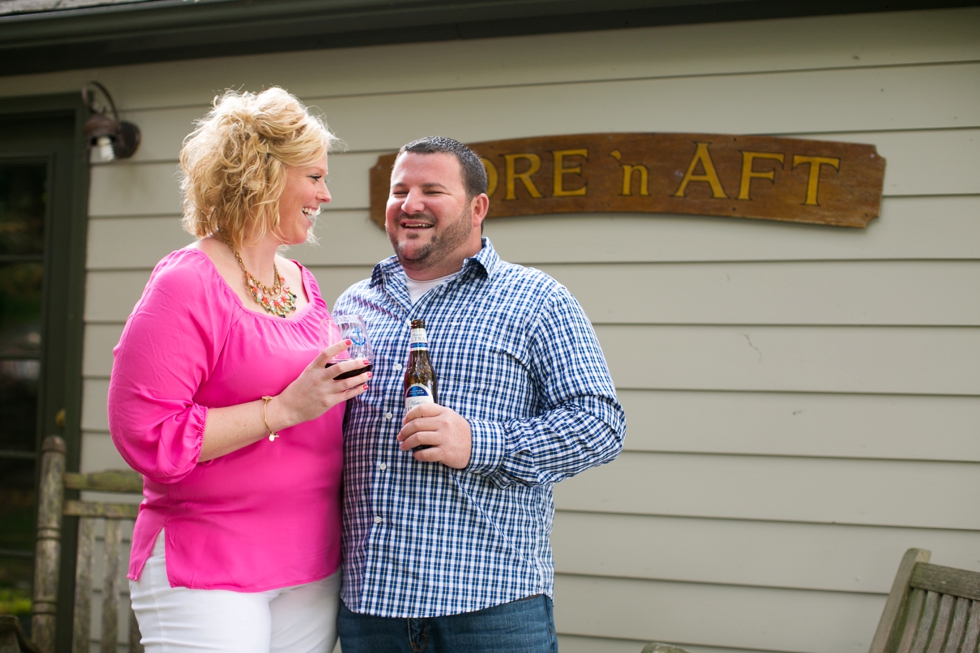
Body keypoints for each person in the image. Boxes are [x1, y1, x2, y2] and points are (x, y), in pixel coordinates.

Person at [333, 136, 627, 652]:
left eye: (431, 190)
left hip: (492, 609)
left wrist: (479, 444)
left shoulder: (536, 299)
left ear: (477, 207)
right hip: (370, 608)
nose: (410, 203)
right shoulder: (354, 305)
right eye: (399, 190)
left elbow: (600, 424)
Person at [107, 87, 371, 653]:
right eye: (315, 176)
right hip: (209, 560)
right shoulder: (186, 284)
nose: (327, 193)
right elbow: (146, 435)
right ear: (265, 174)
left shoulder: (304, 283)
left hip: (311, 562)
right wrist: (283, 409)